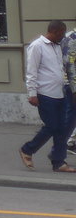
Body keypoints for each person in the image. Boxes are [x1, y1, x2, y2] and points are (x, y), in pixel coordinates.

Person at [20, 20, 74, 172]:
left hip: (60, 93)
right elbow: (31, 71)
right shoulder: (37, 46)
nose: (63, 36)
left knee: (62, 129)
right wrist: (32, 93)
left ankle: (59, 162)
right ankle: (27, 149)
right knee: (51, 126)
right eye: (62, 33)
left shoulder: (57, 46)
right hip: (44, 94)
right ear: (55, 31)